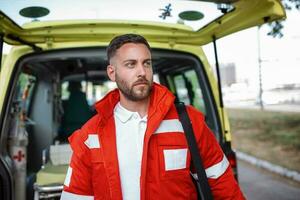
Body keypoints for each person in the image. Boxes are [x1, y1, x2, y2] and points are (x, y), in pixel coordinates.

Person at [60, 34, 245, 200]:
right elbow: (75, 196)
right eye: (131, 64)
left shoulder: (187, 121)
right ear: (112, 72)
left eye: (146, 63)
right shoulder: (90, 135)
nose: (142, 72)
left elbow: (224, 187)